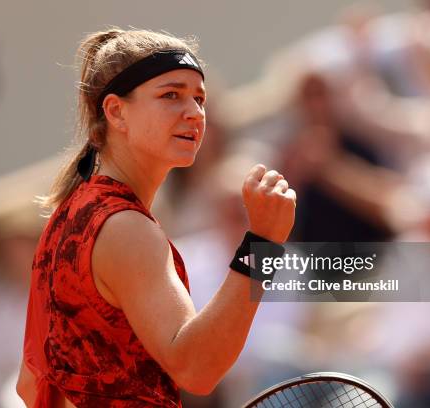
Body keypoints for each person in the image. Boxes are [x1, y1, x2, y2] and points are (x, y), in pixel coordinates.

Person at [16, 28, 296, 407]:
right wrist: (262, 243)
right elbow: (197, 368)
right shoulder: (124, 226)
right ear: (115, 111)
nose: (194, 113)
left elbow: (32, 384)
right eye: (171, 95)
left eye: (200, 99)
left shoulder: (74, 212)